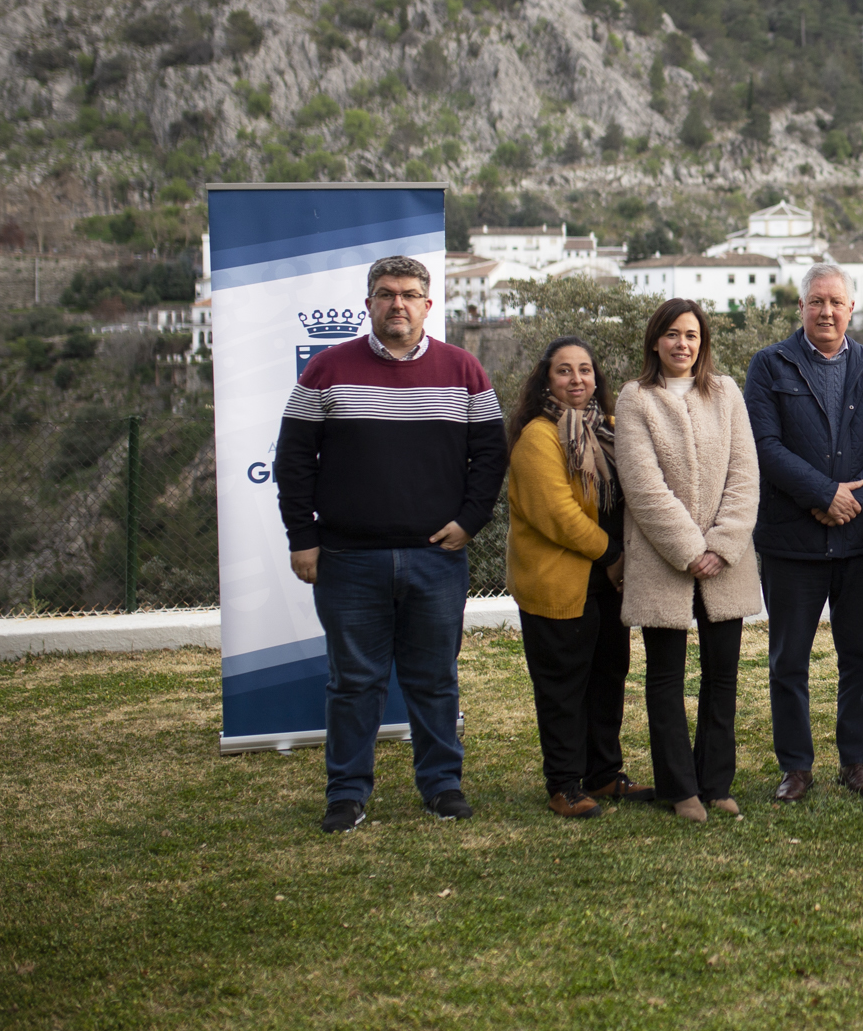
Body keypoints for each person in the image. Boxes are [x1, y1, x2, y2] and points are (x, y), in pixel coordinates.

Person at [275, 255, 507, 834]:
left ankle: (442, 785)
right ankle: (347, 793)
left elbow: (492, 458)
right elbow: (294, 461)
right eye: (385, 293)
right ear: (369, 303)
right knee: (354, 682)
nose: (396, 303)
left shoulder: (465, 371)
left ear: (429, 305)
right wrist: (302, 537)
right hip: (348, 559)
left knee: (434, 679)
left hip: (437, 558)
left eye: (408, 294)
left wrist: (471, 521)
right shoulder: (326, 371)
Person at [744, 263, 863, 802]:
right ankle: (796, 766)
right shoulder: (769, 365)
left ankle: (856, 761)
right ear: (801, 308)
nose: (826, 311)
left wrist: (852, 501)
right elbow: (764, 446)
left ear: (852, 308)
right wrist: (822, 494)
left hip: (856, 540)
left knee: (862, 656)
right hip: (791, 540)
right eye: (816, 301)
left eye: (836, 302)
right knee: (789, 659)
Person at [617, 299, 762, 822]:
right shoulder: (636, 398)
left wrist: (721, 545)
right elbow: (642, 483)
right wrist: (689, 548)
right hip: (663, 562)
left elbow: (745, 475)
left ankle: (716, 782)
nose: (683, 344)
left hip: (727, 562)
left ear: (703, 343)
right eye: (673, 334)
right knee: (666, 678)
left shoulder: (725, 393)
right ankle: (679, 789)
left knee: (723, 676)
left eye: (692, 335)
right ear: (656, 340)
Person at [504, 335, 653, 819]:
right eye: (564, 371)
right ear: (546, 379)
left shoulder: (608, 429)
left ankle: (604, 774)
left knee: (608, 678)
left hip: (609, 583)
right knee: (563, 688)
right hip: (560, 582)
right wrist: (612, 553)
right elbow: (558, 514)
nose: (576, 379)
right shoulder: (538, 436)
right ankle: (564, 783)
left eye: (584, 370)